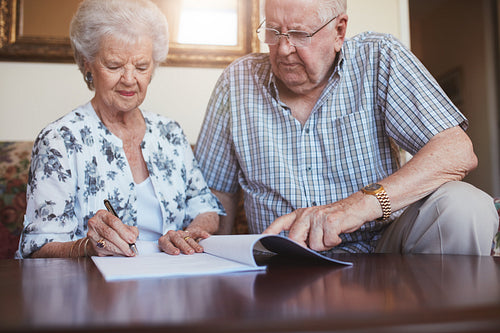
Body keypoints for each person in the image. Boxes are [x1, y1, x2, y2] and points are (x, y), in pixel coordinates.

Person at [194, 0, 498, 255]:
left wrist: (355, 207)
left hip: (384, 249)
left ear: (339, 30)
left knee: (465, 205)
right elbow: (213, 195)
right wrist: (198, 241)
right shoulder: (237, 81)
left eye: (299, 34)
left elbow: (456, 150)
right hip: (280, 262)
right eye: (274, 31)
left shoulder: (378, 57)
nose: (284, 49)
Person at [17, 0, 223, 259]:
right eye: (114, 65)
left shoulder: (169, 133)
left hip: (172, 280)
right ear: (88, 64)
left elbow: (205, 208)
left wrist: (188, 235)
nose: (129, 78)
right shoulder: (59, 140)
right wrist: (88, 247)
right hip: (93, 288)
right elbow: (36, 247)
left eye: (141, 66)